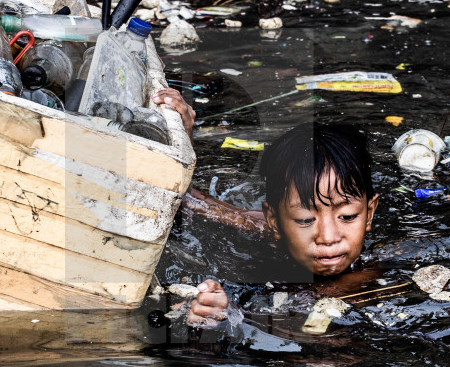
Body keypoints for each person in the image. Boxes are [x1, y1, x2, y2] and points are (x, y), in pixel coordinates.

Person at [151, 88, 380, 328]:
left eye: (347, 216)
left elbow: (314, 338)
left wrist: (232, 315)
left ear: (369, 213)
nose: (328, 237)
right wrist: (183, 134)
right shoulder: (265, 232)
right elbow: (187, 201)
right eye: (304, 220)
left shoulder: (370, 272)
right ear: (274, 220)